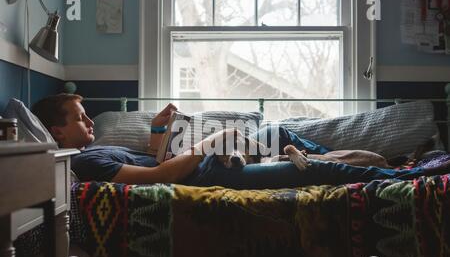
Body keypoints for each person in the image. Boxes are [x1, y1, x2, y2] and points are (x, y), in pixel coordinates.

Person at [32, 93, 450, 190]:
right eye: (80, 116)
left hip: (213, 157)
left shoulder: (93, 152)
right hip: (215, 172)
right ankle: (409, 173)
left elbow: (150, 158)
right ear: (58, 133)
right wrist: (212, 142)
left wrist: (160, 130)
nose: (89, 119)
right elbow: (158, 177)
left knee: (279, 134)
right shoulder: (83, 166)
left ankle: (311, 154)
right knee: (316, 172)